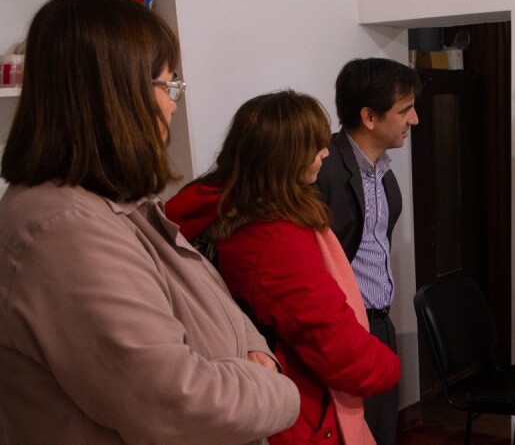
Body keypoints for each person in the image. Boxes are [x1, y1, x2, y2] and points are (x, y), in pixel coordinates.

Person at [0, 0, 300, 443]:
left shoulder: (118, 203)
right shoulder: (66, 230)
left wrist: (254, 353)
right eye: (166, 85)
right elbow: (176, 401)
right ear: (115, 94)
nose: (173, 104)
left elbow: (220, 310)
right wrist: (280, 390)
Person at [165, 90, 401, 445]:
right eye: (315, 145)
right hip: (297, 409)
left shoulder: (217, 203)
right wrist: (388, 367)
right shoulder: (273, 235)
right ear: (286, 155)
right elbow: (327, 337)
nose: (325, 153)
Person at [315, 57, 421, 445]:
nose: (414, 120)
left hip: (379, 325)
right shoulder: (323, 170)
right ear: (369, 116)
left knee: (381, 434)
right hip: (345, 330)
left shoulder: (385, 177)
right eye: (405, 110)